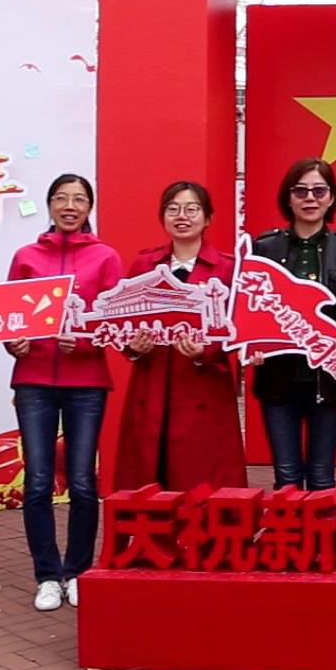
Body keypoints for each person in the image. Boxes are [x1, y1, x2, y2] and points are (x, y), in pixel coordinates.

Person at [5, 173, 122, 612]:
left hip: (86, 383)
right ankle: (47, 575)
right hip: (33, 380)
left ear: (90, 208)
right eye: (61, 198)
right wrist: (13, 344)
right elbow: (8, 317)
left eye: (79, 199)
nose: (69, 206)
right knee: (37, 481)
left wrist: (87, 342)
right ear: (50, 205)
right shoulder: (26, 256)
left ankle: (77, 571)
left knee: (82, 482)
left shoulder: (106, 257)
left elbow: (115, 322)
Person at [114, 181, 246, 491]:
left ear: (208, 217)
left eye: (191, 209)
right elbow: (119, 320)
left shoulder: (227, 268)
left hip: (203, 386)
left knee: (203, 474)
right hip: (153, 382)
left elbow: (240, 328)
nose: (182, 216)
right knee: (149, 471)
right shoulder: (145, 264)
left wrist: (206, 351)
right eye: (172, 209)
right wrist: (133, 347)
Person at [250, 159, 336, 491]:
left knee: (321, 476)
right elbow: (250, 310)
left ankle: (323, 528)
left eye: (319, 190)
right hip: (277, 380)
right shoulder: (265, 247)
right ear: (288, 198)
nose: (310, 198)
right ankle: (289, 528)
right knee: (286, 477)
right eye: (300, 191)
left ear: (332, 197)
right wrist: (252, 345)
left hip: (328, 381)